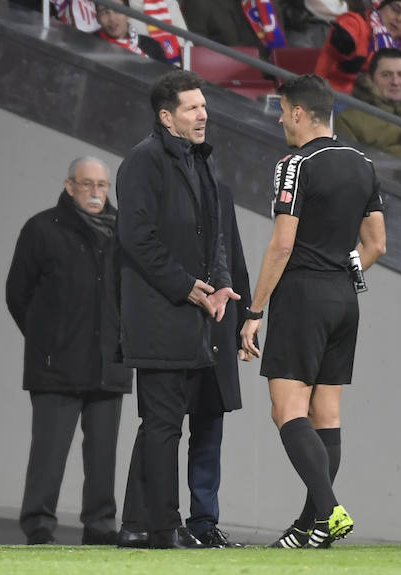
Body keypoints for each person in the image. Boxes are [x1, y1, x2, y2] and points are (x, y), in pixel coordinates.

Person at [239, 74, 386, 549]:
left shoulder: (295, 164)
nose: (281, 118)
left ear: (299, 112)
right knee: (325, 414)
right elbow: (377, 244)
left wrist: (254, 309)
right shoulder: (364, 163)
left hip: (301, 295)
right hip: (345, 298)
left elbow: (281, 245)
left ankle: (329, 510)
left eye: (283, 111)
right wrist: (343, 273)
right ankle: (311, 526)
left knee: (287, 409)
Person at [116, 70, 242, 549]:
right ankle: (165, 528)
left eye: (204, 105)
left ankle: (134, 524)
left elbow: (216, 237)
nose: (203, 114)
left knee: (161, 425)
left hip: (193, 318)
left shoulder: (201, 162)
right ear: (166, 117)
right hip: (158, 316)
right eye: (192, 107)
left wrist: (221, 286)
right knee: (165, 425)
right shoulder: (143, 162)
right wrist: (190, 288)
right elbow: (136, 239)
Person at [6, 156, 133, 546]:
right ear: (69, 186)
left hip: (108, 364)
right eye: (87, 184)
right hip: (55, 365)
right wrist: (48, 340)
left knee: (102, 456)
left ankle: (100, 526)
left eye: (102, 185)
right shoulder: (42, 229)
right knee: (48, 452)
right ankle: (39, 525)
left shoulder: (124, 233)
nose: (96, 193)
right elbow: (18, 294)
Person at [334, 47, 401, 164]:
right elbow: (351, 168)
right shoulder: (347, 119)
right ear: (371, 79)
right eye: (386, 75)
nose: (395, 82)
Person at [314, 0, 401, 94]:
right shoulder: (356, 23)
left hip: (374, 106)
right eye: (395, 9)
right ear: (381, 7)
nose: (399, 19)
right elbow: (348, 35)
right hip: (333, 96)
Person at [183, 0, 287, 55]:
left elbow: (280, 48)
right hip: (221, 80)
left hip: (268, 75)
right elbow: (196, 52)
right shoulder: (199, 3)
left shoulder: (266, 3)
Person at [94, 0, 168, 63]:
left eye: (117, 10)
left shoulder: (153, 46)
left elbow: (169, 77)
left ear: (128, 13)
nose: (112, 19)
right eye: (104, 12)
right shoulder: (89, 44)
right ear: (97, 18)